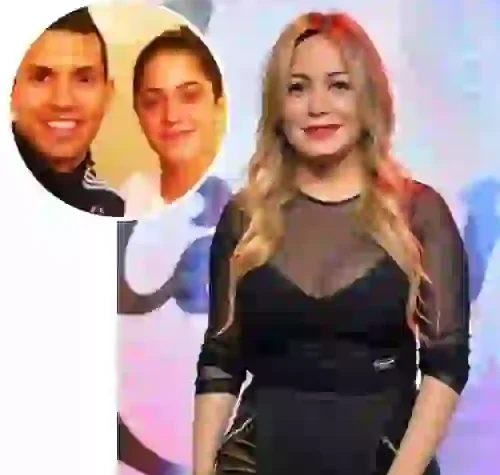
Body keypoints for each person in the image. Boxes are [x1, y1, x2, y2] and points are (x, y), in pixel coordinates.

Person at [193, 11, 470, 475]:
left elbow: (446, 365)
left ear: (368, 97)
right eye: (297, 88)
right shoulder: (245, 217)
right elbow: (220, 363)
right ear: (278, 106)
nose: (317, 106)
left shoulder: (420, 214)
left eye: (338, 85)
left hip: (384, 460)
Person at [11, 7, 125, 217]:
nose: (63, 101)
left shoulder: (111, 209)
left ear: (107, 95)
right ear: (11, 91)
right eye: (41, 77)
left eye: (84, 79)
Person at [120, 26, 225, 216]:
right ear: (138, 114)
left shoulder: (247, 200)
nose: (171, 116)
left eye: (189, 95)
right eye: (152, 102)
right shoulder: (132, 196)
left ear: (218, 106)